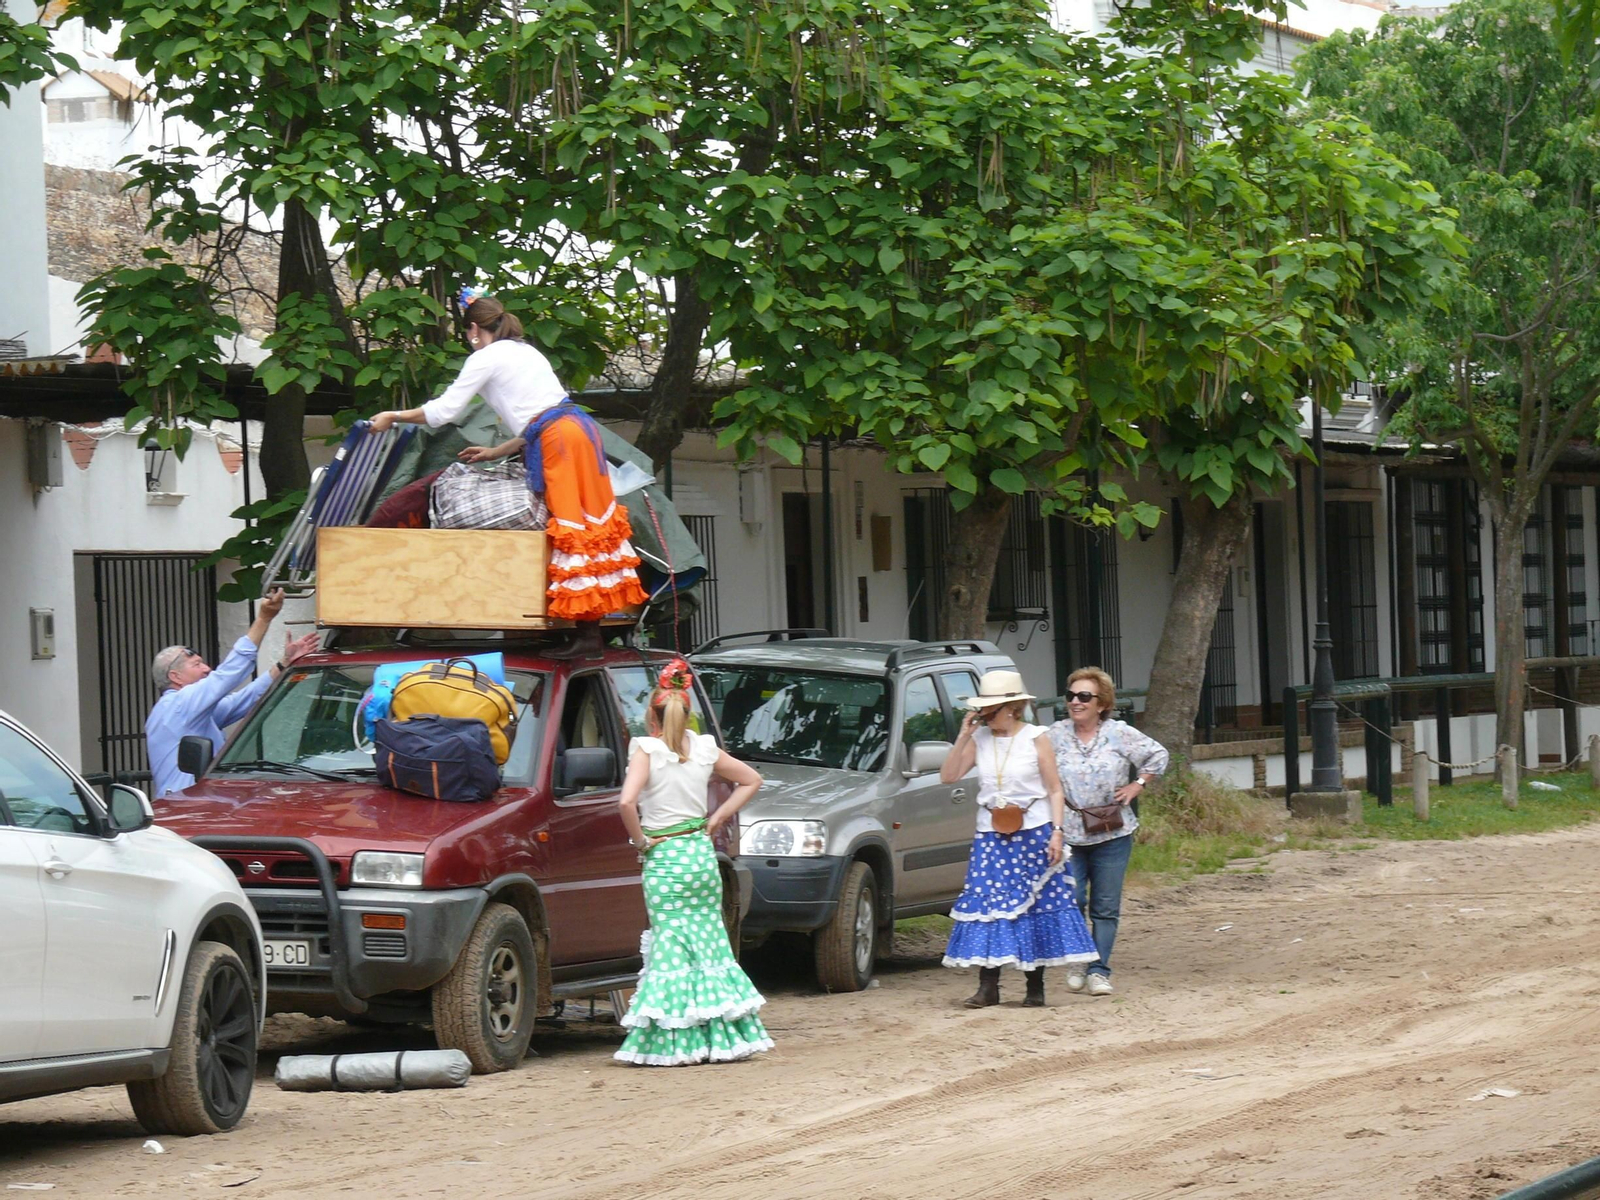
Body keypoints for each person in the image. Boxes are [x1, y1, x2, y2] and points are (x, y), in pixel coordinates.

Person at [367, 292, 648, 646]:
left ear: (473, 329)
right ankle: (590, 630)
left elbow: (444, 412)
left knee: (571, 527)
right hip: (578, 432)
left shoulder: (486, 358)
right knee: (591, 523)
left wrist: (394, 416)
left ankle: (587, 635)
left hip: (558, 439)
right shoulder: (526, 351)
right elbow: (540, 415)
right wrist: (496, 451)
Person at [613, 658, 774, 1066]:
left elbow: (626, 802)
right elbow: (751, 779)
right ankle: (721, 1035)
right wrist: (717, 817)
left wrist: (640, 840)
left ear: (651, 714)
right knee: (708, 943)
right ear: (687, 714)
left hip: (665, 856)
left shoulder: (645, 750)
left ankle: (674, 1040)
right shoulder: (703, 749)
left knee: (671, 945)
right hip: (700, 857)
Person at [940, 669, 1099, 1008]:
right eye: (982, 709)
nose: (985, 715)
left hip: (1033, 830)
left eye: (990, 709)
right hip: (991, 832)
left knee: (1035, 905)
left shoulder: (1035, 737)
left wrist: (1057, 832)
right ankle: (988, 986)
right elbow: (948, 775)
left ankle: (1034, 986)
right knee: (990, 905)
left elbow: (1055, 789)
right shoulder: (980, 739)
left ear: (1012, 707)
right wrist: (963, 737)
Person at [1048, 666, 1169, 997]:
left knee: (1105, 906)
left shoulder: (1119, 733)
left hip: (1112, 831)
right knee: (1072, 899)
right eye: (1071, 696)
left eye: (1084, 696)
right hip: (1070, 831)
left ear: (1101, 703)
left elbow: (1158, 755)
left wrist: (1138, 784)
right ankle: (1077, 959)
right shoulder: (1054, 735)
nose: (1076, 702)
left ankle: (1099, 970)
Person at [145, 589, 319, 797]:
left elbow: (246, 700)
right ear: (175, 677)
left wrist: (283, 664)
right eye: (197, 664)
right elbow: (227, 676)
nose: (207, 668)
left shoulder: (191, 712)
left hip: (192, 805)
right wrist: (264, 618)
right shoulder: (178, 705)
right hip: (187, 808)